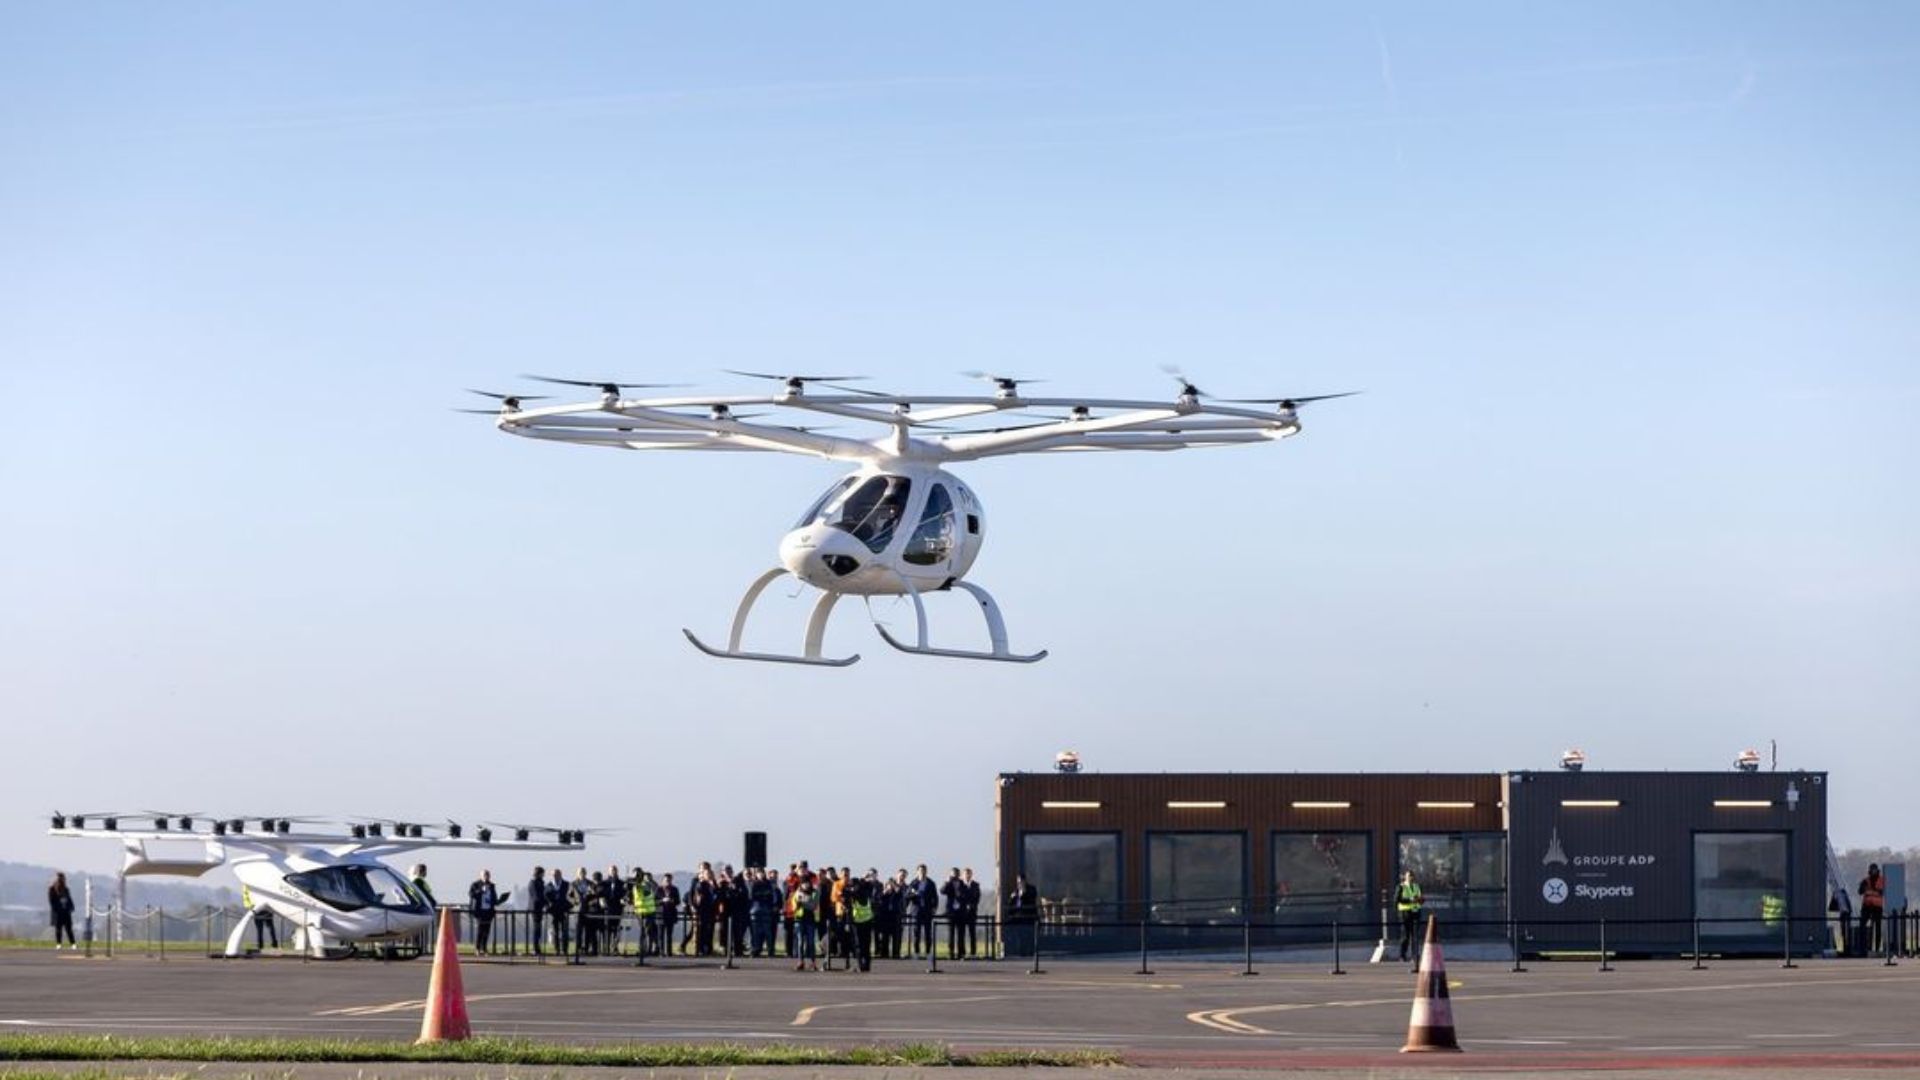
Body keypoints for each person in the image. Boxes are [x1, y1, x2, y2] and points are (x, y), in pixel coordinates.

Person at [847, 869, 877, 972]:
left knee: (859, 945)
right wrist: (863, 879)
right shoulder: (866, 891)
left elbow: (845, 893)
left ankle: (861, 965)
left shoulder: (855, 894)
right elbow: (868, 885)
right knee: (866, 945)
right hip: (867, 921)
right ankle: (866, 966)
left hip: (858, 922)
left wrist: (862, 879)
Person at [908, 864, 938, 958]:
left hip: (927, 911)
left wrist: (934, 908)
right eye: (920, 870)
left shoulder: (931, 883)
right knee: (916, 933)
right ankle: (917, 952)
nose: (922, 872)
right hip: (916, 911)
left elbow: (935, 897)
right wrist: (915, 894)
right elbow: (907, 896)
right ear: (917, 872)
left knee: (928, 933)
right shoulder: (913, 883)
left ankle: (928, 952)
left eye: (924, 870)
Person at [790, 876, 820, 971]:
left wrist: (802, 902)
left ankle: (813, 962)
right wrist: (798, 905)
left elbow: (813, 905)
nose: (806, 885)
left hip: (810, 919)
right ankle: (800, 962)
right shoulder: (797, 893)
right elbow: (794, 906)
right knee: (800, 942)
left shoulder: (815, 892)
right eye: (804, 883)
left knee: (811, 942)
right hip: (799, 920)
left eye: (807, 883)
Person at [1395, 871, 1425, 966]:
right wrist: (1410, 900)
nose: (1410, 878)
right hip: (1405, 913)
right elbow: (1397, 899)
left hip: (1415, 912)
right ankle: (1402, 955)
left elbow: (1420, 897)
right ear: (1405, 877)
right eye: (1409, 876)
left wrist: (1420, 900)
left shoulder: (1416, 886)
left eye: (1412, 876)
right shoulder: (1401, 886)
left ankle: (1414, 956)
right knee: (1405, 935)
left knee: (1415, 935)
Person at [1006, 873, 1039, 958]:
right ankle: (1020, 951)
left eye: (1020, 882)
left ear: (1024, 881)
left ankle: (1030, 952)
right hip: (1019, 917)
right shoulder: (1016, 891)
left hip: (1029, 917)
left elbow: (1031, 900)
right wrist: (1013, 897)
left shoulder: (1031, 889)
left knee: (1028, 936)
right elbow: (1011, 904)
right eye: (1018, 882)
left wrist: (1023, 894)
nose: (1019, 884)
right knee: (1019, 935)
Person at [468, 870, 500, 955]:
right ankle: (477, 948)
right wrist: (481, 890)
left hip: (488, 911)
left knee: (486, 931)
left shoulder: (491, 885)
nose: (486, 877)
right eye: (485, 875)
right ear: (481, 876)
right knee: (480, 930)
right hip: (479, 911)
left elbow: (494, 897)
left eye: (488, 875)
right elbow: (471, 894)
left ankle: (484, 948)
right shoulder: (475, 884)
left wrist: (498, 901)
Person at [749, 869, 779, 958]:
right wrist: (763, 895)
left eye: (762, 873)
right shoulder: (754, 884)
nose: (761, 875)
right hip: (756, 911)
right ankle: (755, 950)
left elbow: (770, 896)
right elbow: (752, 896)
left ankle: (770, 951)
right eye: (759, 873)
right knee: (756, 933)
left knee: (768, 932)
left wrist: (763, 895)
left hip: (767, 911)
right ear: (757, 875)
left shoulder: (768, 884)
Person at [240, 881, 278, 951]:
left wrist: (249, 906)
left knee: (262, 929)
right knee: (267, 928)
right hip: (263, 907)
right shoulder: (261, 882)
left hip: (258, 908)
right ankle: (273, 945)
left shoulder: (247, 884)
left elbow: (246, 896)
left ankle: (262, 946)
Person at [1860, 863, 1887, 954]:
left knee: (1877, 928)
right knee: (1863, 926)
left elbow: (1882, 891)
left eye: (1874, 870)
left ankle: (1877, 949)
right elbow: (1860, 891)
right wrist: (1863, 887)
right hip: (1867, 906)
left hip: (1877, 907)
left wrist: (1869, 890)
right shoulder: (1866, 880)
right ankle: (1864, 947)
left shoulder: (1881, 880)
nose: (1873, 872)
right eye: (1872, 870)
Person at [546, 867, 573, 956]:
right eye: (553, 875)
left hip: (564, 911)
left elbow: (572, 896)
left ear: (560, 875)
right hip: (554, 912)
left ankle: (565, 949)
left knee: (565, 931)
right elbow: (546, 897)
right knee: (555, 931)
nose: (555, 876)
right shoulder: (549, 885)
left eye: (557, 875)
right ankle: (557, 949)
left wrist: (569, 906)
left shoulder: (566, 884)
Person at [941, 867, 965, 960]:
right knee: (951, 933)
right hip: (951, 912)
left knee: (961, 934)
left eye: (956, 874)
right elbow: (942, 891)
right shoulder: (948, 883)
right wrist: (947, 882)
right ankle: (951, 953)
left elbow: (965, 894)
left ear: (959, 874)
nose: (955, 875)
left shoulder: (962, 883)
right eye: (953, 874)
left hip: (960, 912)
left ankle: (960, 953)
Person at [48, 873, 77, 949]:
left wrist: (71, 907)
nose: (62, 880)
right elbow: (52, 901)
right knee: (58, 929)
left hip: (66, 912)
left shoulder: (66, 889)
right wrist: (57, 909)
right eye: (60, 879)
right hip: (58, 913)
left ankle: (73, 944)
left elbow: (69, 899)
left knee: (69, 929)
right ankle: (59, 944)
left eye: (63, 879)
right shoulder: (52, 889)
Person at [959, 868, 982, 958]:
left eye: (969, 874)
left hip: (972, 912)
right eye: (965, 874)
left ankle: (973, 953)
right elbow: (959, 896)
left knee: (972, 933)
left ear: (971, 875)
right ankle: (962, 953)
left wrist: (971, 905)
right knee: (962, 934)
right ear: (962, 875)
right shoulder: (960, 885)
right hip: (962, 913)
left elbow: (977, 897)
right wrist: (965, 905)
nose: (967, 876)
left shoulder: (975, 885)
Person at [657, 872, 682, 956]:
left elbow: (678, 901)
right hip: (661, 914)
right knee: (660, 934)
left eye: (669, 880)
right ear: (663, 880)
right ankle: (661, 951)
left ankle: (669, 952)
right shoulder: (659, 889)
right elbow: (654, 901)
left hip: (670, 914)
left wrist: (672, 901)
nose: (668, 882)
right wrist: (662, 900)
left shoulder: (675, 889)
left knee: (669, 934)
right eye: (666, 880)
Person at [527, 866, 548, 956]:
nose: (544, 875)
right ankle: (535, 948)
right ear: (539, 874)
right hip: (535, 908)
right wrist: (545, 904)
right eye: (543, 873)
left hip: (539, 908)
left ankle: (537, 947)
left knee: (538, 929)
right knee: (536, 928)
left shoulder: (540, 882)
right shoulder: (533, 883)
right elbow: (537, 896)